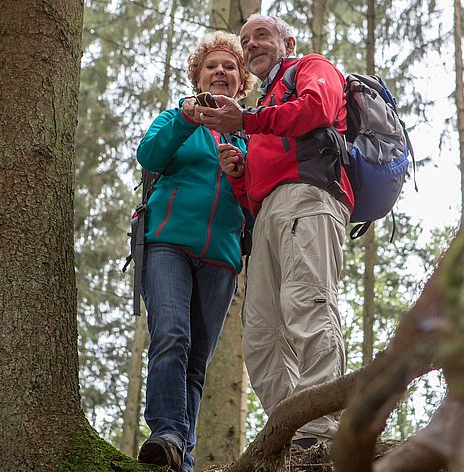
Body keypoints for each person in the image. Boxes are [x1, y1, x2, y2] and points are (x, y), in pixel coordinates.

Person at [195, 14, 353, 448]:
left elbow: (318, 109)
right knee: (261, 334)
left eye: (261, 36)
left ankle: (318, 432)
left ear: (288, 42)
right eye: (245, 40)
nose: (251, 45)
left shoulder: (311, 68)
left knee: (309, 306)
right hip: (267, 214)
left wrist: (246, 121)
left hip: (310, 197)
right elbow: (253, 196)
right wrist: (239, 174)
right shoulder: (264, 106)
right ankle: (292, 435)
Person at [134, 31, 254, 471]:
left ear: (241, 82)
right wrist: (186, 120)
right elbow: (149, 156)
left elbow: (258, 205)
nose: (220, 71)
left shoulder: (249, 136)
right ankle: (166, 432)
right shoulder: (175, 118)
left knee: (197, 363)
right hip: (168, 244)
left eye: (230, 67)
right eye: (211, 66)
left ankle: (178, 458)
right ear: (198, 77)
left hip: (222, 258)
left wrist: (241, 174)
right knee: (171, 335)